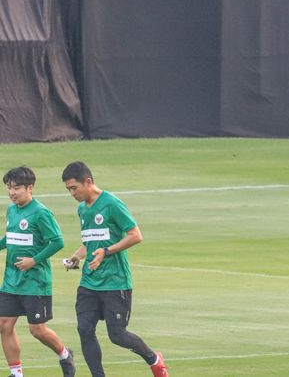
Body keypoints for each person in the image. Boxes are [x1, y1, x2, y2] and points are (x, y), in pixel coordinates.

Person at [60, 161, 168, 377]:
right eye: (68, 189)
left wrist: (107, 251)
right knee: (84, 329)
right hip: (89, 281)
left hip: (115, 282)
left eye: (74, 188)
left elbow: (135, 235)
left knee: (117, 335)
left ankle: (154, 359)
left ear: (88, 182)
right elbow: (89, 241)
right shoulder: (82, 209)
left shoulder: (112, 204)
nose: (72, 193)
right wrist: (76, 256)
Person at [1, 167, 75, 377]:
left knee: (37, 330)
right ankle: (17, 374)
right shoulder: (12, 210)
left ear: (30, 188)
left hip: (35, 282)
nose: (12, 192)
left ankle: (64, 354)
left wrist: (34, 260)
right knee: (4, 325)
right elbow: (11, 237)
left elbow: (57, 241)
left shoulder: (41, 212)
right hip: (11, 281)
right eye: (9, 188)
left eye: (16, 188)